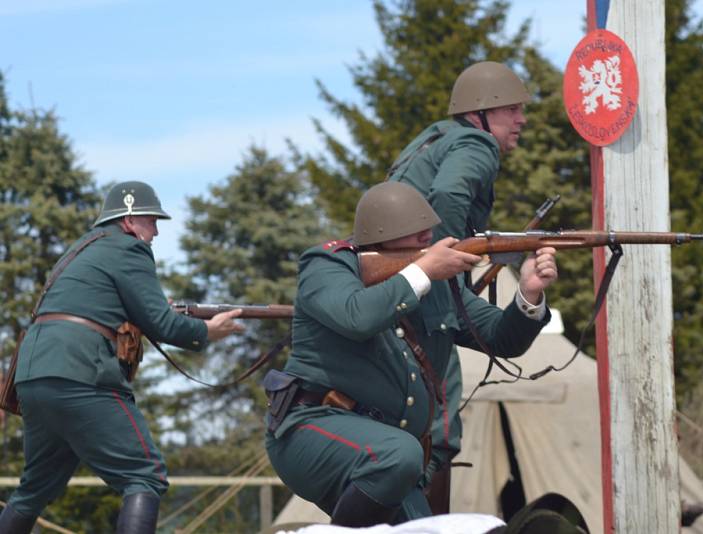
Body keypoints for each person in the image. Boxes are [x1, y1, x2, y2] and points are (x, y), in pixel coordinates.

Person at [264, 181, 557, 526]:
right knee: (398, 454)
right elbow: (358, 317)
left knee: (426, 525)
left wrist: (528, 296)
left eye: (427, 230)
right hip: (312, 428)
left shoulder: (436, 278)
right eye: (415, 231)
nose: (428, 238)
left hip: (392, 455)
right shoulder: (326, 265)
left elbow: (501, 339)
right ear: (379, 235)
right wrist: (422, 272)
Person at [0, 181, 244, 534]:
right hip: (80, 372)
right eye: (151, 220)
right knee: (145, 475)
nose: (156, 231)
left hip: (32, 375)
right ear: (129, 221)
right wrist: (208, 331)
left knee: (33, 491)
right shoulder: (129, 249)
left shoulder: (79, 250)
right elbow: (161, 323)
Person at [386, 61, 531, 505]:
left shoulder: (432, 140)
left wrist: (527, 294)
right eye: (510, 110)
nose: (521, 120)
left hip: (396, 288)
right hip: (423, 292)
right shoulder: (476, 143)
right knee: (440, 427)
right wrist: (448, 259)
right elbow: (448, 196)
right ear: (480, 114)